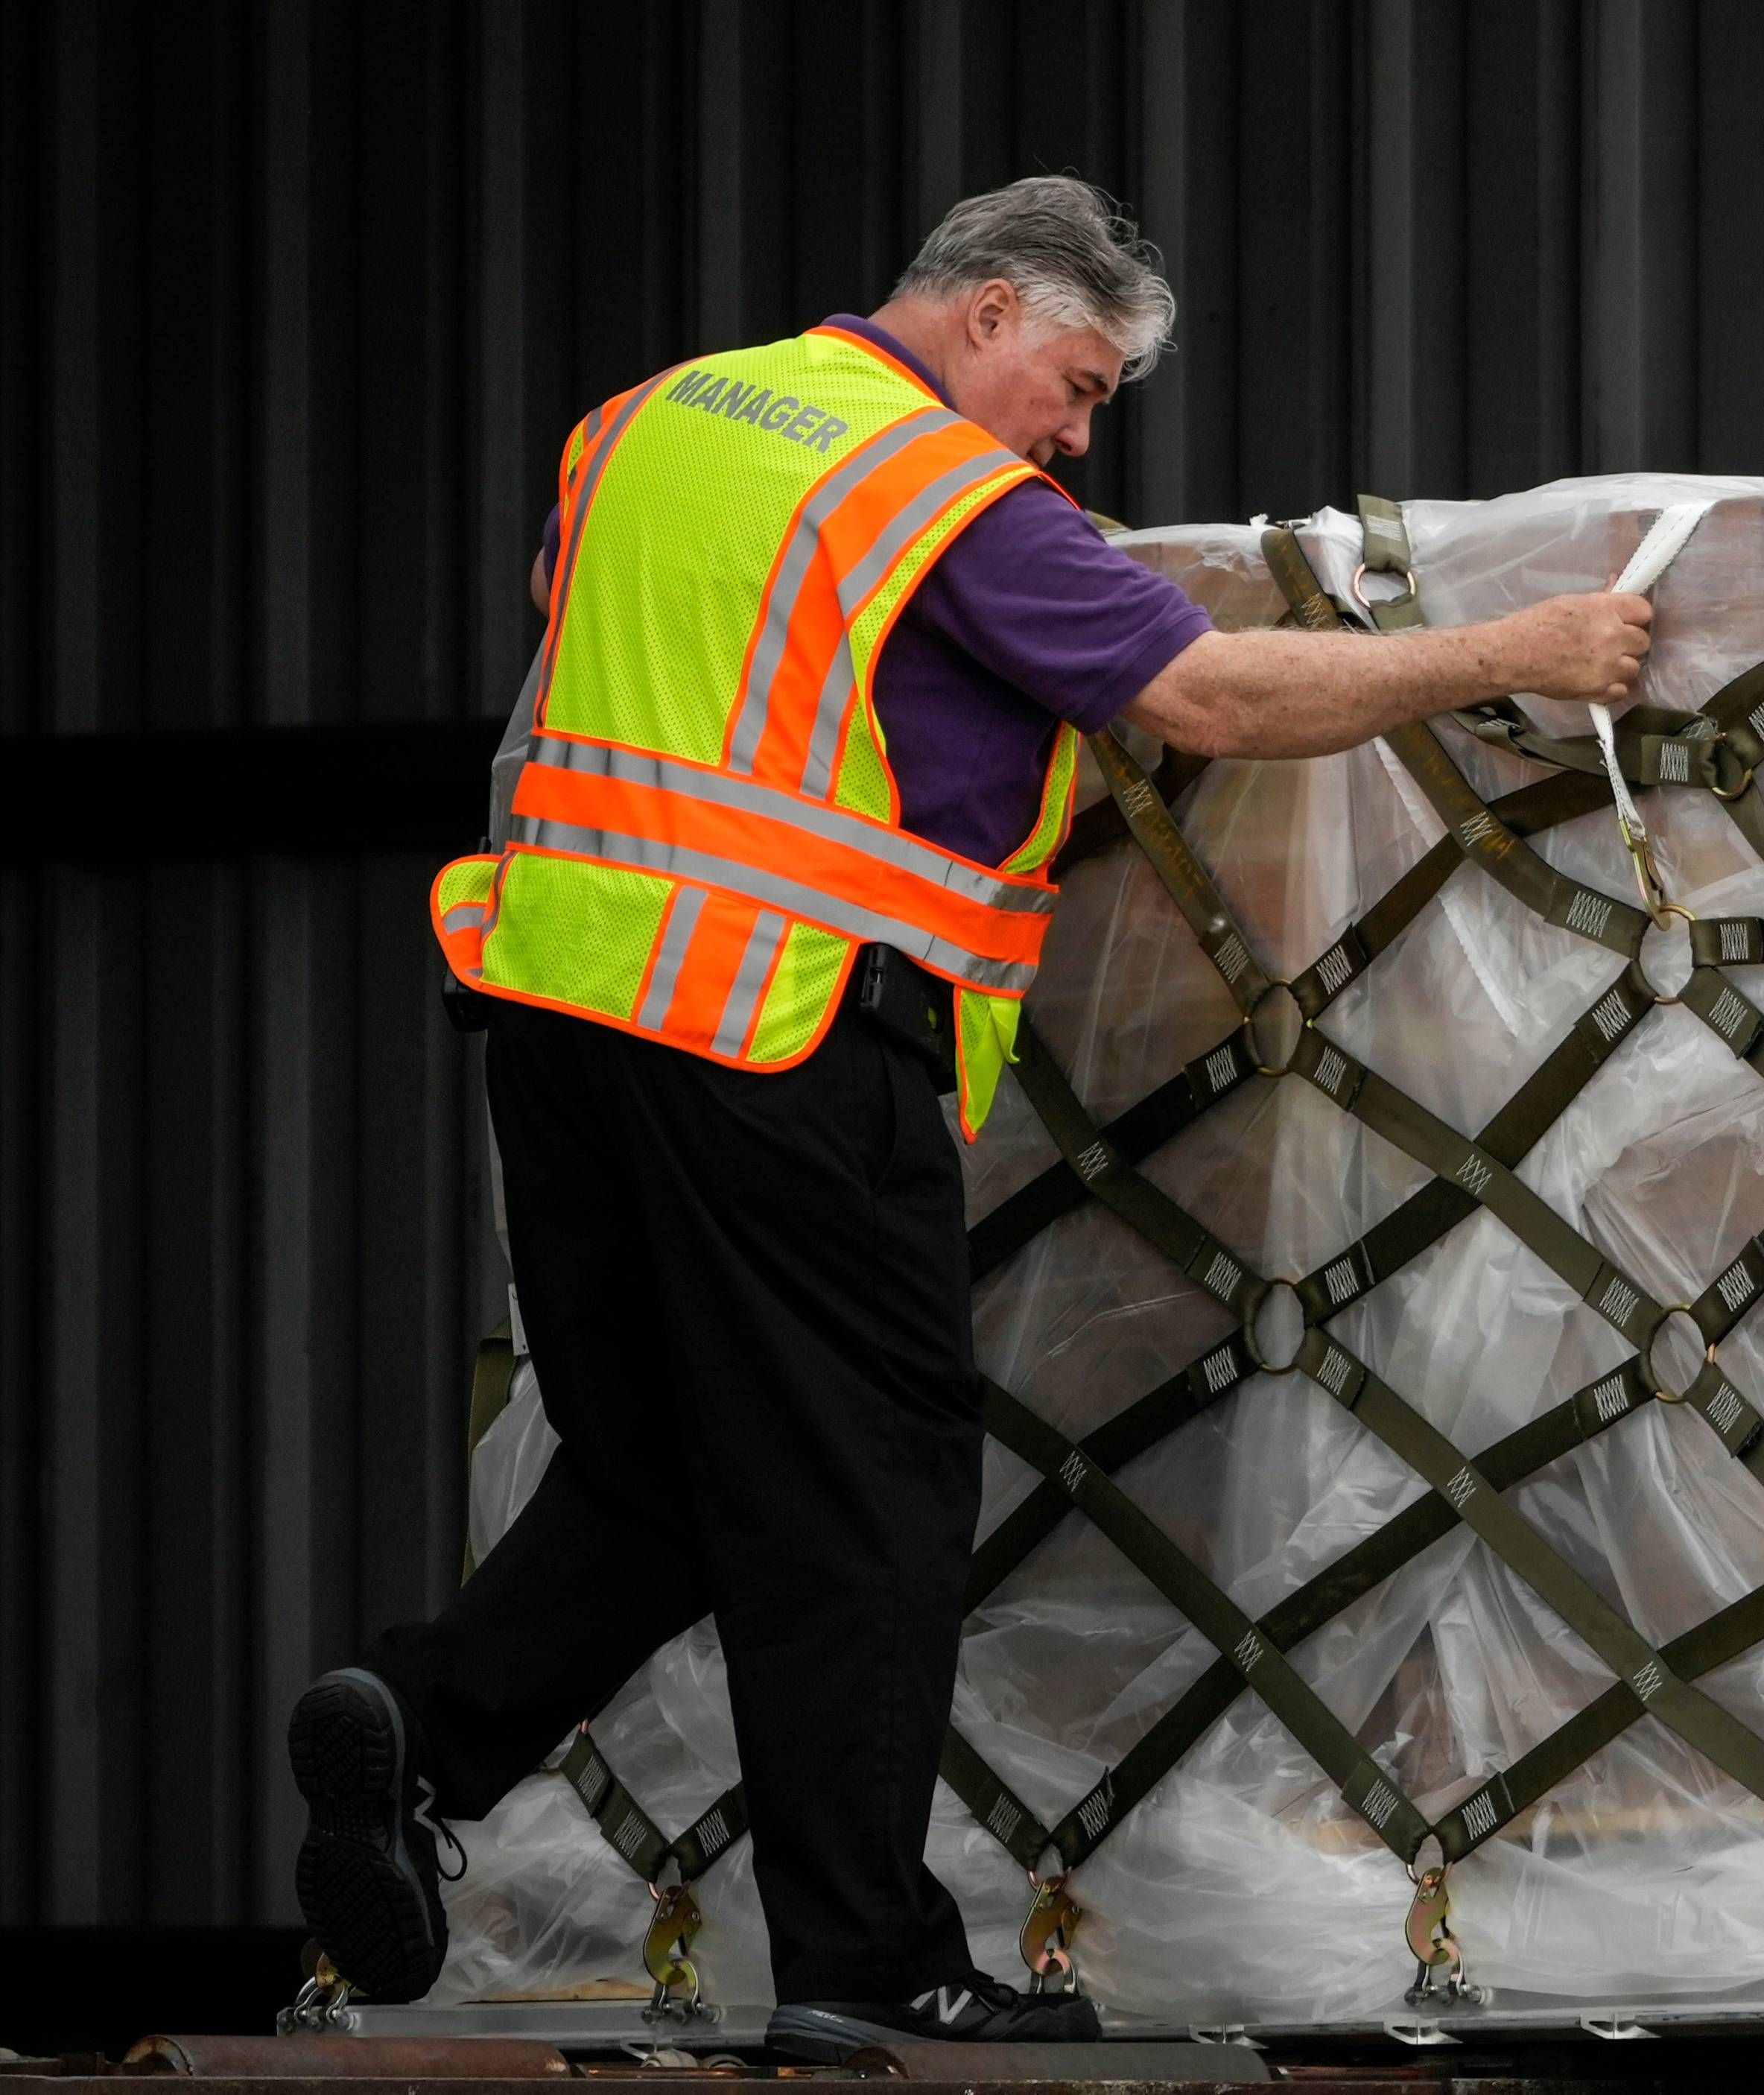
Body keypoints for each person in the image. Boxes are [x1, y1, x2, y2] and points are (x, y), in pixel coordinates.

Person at [286, 176, 1649, 2057]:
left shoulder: (646, 423)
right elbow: (1214, 692)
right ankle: (869, 1962)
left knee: (661, 1469)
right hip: (778, 1029)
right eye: (1079, 387)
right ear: (989, 310)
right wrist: (1519, 650)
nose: (1079, 439)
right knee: (870, 1482)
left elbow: (642, 659)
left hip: (561, 1011)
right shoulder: (938, 491)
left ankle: (422, 1731)